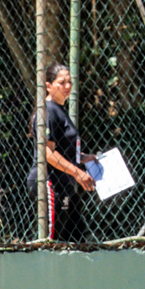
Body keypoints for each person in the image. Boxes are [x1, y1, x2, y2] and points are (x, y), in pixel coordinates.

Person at [41, 62, 94, 243]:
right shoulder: (48, 110)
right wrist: (78, 173)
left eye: (69, 82)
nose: (67, 86)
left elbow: (64, 149)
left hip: (66, 186)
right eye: (61, 82)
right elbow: (48, 153)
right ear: (48, 86)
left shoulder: (60, 110)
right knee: (53, 242)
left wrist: (84, 158)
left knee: (76, 240)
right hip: (52, 185)